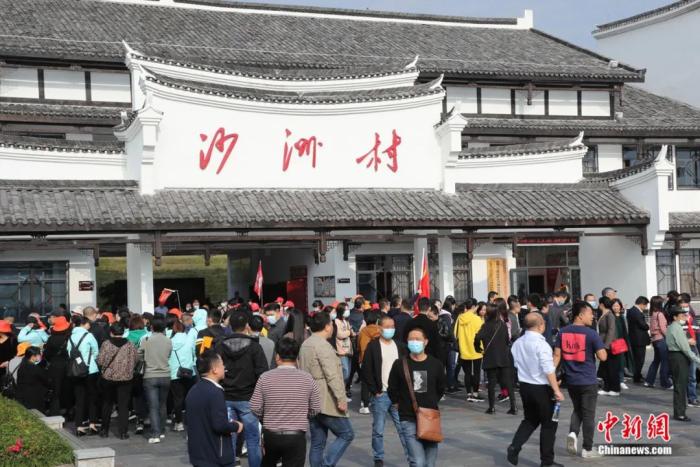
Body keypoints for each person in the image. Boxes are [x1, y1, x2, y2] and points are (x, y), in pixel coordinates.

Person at [251, 337, 321, 467]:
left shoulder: (265, 378)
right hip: (296, 435)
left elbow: (255, 407)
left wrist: (265, 418)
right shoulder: (307, 379)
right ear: (297, 357)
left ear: (277, 357)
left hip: (271, 434)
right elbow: (316, 408)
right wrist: (302, 416)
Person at [507, 313, 564, 467]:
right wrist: (556, 390)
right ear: (540, 325)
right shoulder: (541, 344)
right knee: (549, 424)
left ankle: (514, 446)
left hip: (525, 386)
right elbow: (548, 369)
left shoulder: (518, 343)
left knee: (530, 419)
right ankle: (547, 461)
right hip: (542, 388)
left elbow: (517, 364)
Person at [299, 312, 354, 467]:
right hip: (325, 399)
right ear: (327, 327)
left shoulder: (306, 344)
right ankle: (327, 464)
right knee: (347, 434)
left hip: (311, 398)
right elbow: (332, 375)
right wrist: (341, 398)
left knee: (318, 442)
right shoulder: (323, 345)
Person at [553, 301, 607, 459]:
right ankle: (587, 448)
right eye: (590, 313)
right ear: (581, 315)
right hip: (588, 380)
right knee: (588, 414)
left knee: (577, 410)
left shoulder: (562, 332)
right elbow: (602, 356)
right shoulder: (591, 334)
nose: (592, 316)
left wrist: (551, 376)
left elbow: (556, 356)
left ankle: (573, 433)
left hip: (571, 380)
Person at [215, 310, 269, 467]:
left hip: (226, 396)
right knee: (253, 439)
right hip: (248, 398)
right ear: (247, 326)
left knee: (229, 438)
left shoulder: (220, 346)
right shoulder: (254, 347)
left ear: (230, 326)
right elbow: (262, 374)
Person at [388, 327, 446, 467]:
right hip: (408, 417)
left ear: (425, 342)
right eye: (411, 339)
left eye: (418, 339)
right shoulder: (399, 364)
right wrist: (398, 403)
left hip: (430, 417)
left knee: (430, 463)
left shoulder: (436, 364)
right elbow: (392, 388)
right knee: (418, 461)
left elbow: (441, 388)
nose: (414, 342)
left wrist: (431, 402)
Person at [362, 315, 410, 467]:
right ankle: (378, 458)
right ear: (380, 328)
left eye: (392, 326)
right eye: (387, 327)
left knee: (403, 429)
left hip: (398, 396)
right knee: (378, 430)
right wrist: (375, 390)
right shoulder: (373, 346)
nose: (390, 329)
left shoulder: (400, 346)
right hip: (381, 394)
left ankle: (412, 457)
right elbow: (366, 370)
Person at [186, 349, 244, 467]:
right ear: (214, 369)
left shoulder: (193, 390)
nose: (224, 367)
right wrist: (236, 425)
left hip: (198, 455)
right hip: (216, 456)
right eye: (222, 364)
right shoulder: (215, 392)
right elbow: (219, 425)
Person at [96, 322, 138, 439]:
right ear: (123, 332)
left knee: (107, 403)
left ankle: (104, 430)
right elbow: (136, 359)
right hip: (126, 378)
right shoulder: (130, 344)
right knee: (123, 405)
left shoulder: (106, 344)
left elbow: (100, 361)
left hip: (109, 378)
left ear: (111, 332)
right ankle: (123, 432)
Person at [474, 303, 517, 415]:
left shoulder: (486, 325)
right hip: (503, 356)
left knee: (491, 383)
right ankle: (513, 407)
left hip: (491, 357)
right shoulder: (502, 325)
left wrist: (478, 348)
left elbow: (477, 337)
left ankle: (492, 407)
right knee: (508, 382)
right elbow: (507, 340)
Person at [139, 316, 172, 444]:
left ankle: (155, 433)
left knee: (153, 406)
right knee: (162, 404)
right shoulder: (168, 340)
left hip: (150, 375)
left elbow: (140, 355)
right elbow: (168, 355)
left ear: (151, 327)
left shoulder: (146, 340)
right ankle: (162, 430)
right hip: (165, 374)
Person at [665, 306, 700, 421]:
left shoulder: (672, 327)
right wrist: (697, 360)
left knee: (679, 385)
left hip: (675, 356)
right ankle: (680, 413)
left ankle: (679, 411)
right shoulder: (677, 328)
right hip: (679, 357)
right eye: (681, 315)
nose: (684, 317)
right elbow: (685, 348)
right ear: (675, 317)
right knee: (680, 386)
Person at [67, 315, 100, 436]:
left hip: (75, 371)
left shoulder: (71, 336)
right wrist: (90, 360)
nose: (89, 326)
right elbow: (96, 352)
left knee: (79, 399)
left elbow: (69, 352)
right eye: (88, 324)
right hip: (90, 370)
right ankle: (92, 424)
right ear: (83, 324)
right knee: (92, 398)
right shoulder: (89, 335)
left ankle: (79, 426)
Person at [169, 317, 197, 432]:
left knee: (177, 399)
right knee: (190, 397)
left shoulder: (170, 341)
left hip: (175, 373)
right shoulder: (189, 339)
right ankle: (191, 420)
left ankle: (179, 422)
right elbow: (194, 354)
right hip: (189, 372)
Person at [454, 298, 484, 402]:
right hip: (476, 349)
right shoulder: (477, 319)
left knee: (467, 373)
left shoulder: (460, 318)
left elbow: (455, 334)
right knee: (476, 372)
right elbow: (481, 335)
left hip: (464, 348)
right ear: (474, 307)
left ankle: (468, 394)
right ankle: (475, 393)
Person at [43, 314, 71, 416]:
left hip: (55, 366)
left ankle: (55, 411)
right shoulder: (69, 338)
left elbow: (46, 354)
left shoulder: (51, 339)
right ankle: (68, 411)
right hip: (68, 365)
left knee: (56, 390)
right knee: (67, 389)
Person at [644, 296, 672, 389]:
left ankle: (649, 381)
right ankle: (665, 383)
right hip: (661, 339)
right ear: (659, 304)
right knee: (665, 362)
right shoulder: (660, 314)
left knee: (656, 361)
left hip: (655, 340)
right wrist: (669, 338)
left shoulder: (653, 313)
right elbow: (663, 329)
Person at [404, 297, 443, 362]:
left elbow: (405, 339)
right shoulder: (432, 324)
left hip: (412, 356)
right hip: (429, 357)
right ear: (429, 308)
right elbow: (436, 344)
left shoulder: (410, 322)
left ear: (418, 307)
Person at [357, 310, 381, 414]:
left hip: (365, 358)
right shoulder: (380, 330)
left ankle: (365, 405)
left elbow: (359, 346)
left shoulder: (363, 331)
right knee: (377, 379)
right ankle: (375, 401)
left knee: (365, 382)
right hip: (379, 358)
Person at [597, 297, 620, 396]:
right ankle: (607, 388)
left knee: (612, 368)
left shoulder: (609, 315)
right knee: (605, 367)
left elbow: (611, 330)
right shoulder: (603, 314)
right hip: (603, 343)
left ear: (602, 304)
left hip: (610, 345)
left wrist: (606, 345)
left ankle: (615, 389)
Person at [16, 346, 50, 412]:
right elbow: (46, 380)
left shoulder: (22, 366)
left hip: (22, 396)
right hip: (34, 397)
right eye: (39, 354)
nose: (41, 356)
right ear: (33, 356)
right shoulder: (35, 369)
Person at [626, 296, 650, 384]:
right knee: (640, 359)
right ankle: (637, 377)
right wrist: (647, 325)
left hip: (634, 338)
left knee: (637, 359)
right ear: (642, 304)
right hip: (639, 339)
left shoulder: (631, 310)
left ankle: (638, 375)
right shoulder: (637, 312)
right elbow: (643, 325)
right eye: (645, 305)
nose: (645, 307)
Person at [334, 303, 355, 400]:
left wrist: (351, 332)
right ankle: (340, 393)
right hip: (341, 351)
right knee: (345, 372)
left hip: (348, 350)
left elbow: (351, 332)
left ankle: (344, 391)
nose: (348, 311)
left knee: (348, 372)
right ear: (341, 311)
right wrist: (349, 332)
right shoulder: (336, 321)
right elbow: (340, 334)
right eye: (346, 309)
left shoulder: (346, 321)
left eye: (348, 309)